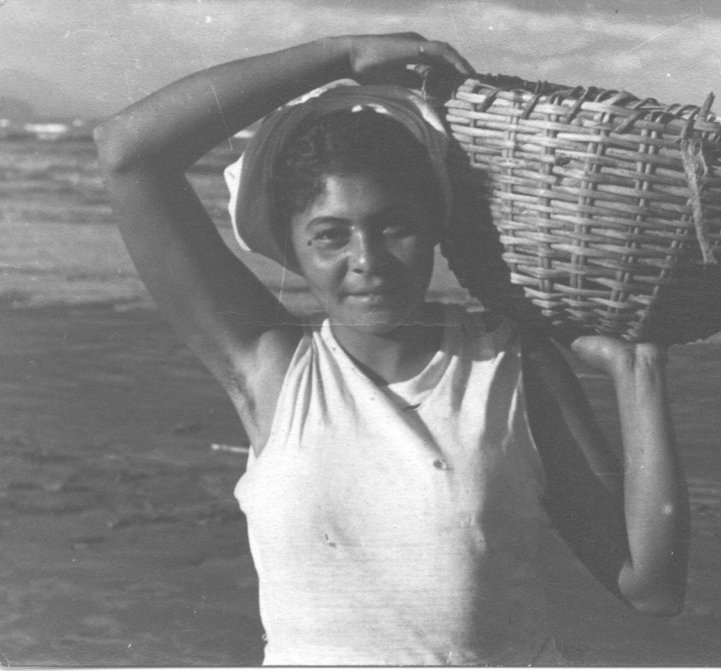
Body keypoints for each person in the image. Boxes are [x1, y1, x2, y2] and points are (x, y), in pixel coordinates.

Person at [95, 33, 688, 665]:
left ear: (434, 223)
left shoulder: (509, 366)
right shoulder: (273, 371)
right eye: (331, 235)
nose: (367, 260)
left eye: (394, 226)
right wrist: (345, 56)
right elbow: (128, 152)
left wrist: (638, 372)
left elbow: (650, 586)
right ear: (291, 248)